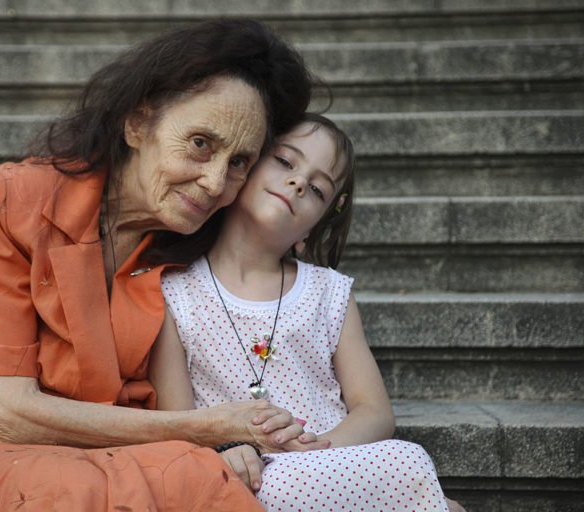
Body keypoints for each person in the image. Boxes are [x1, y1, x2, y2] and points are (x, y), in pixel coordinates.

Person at [0, 19, 321, 511]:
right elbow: (10, 415)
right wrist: (208, 429)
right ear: (138, 123)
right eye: (201, 143)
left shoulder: (199, 246)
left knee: (197, 480)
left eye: (240, 162)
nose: (214, 182)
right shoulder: (14, 200)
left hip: (124, 453)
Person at [151, 113, 466, 511]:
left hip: (331, 461)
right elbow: (178, 424)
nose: (299, 182)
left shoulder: (328, 292)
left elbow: (373, 410)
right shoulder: (174, 292)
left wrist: (317, 449)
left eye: (317, 189)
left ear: (309, 233)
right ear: (242, 168)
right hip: (248, 476)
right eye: (285, 161)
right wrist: (226, 453)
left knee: (408, 461)